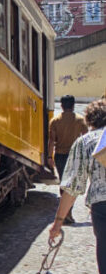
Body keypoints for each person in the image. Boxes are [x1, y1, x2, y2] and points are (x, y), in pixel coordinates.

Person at [49, 98, 106, 274]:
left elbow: (72, 188)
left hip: (102, 207)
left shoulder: (86, 143)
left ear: (90, 120)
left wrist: (58, 222)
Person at [47, 95, 87, 223]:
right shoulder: (80, 120)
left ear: (62, 106)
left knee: (63, 183)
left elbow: (52, 141)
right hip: (75, 155)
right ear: (73, 105)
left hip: (60, 155)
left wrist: (49, 156)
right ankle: (68, 212)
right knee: (72, 184)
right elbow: (86, 139)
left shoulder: (55, 121)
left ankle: (65, 213)